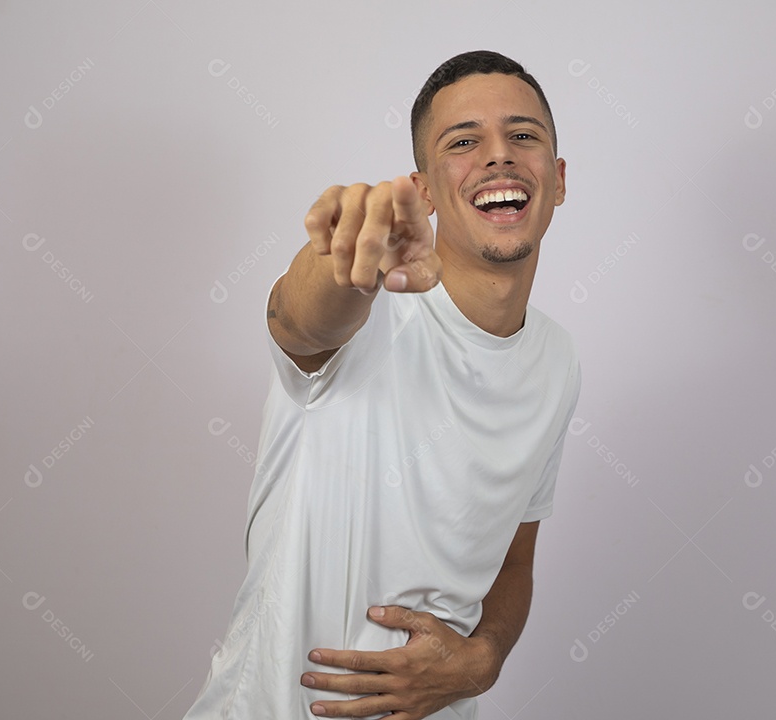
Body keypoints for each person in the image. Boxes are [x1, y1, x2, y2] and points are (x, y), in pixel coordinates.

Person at [183, 50, 580, 720]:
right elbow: (299, 322)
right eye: (463, 141)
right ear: (422, 190)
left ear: (558, 179)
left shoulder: (556, 359)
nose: (498, 157)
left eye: (523, 135)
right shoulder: (370, 308)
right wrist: (344, 261)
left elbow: (513, 560)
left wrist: (484, 660)